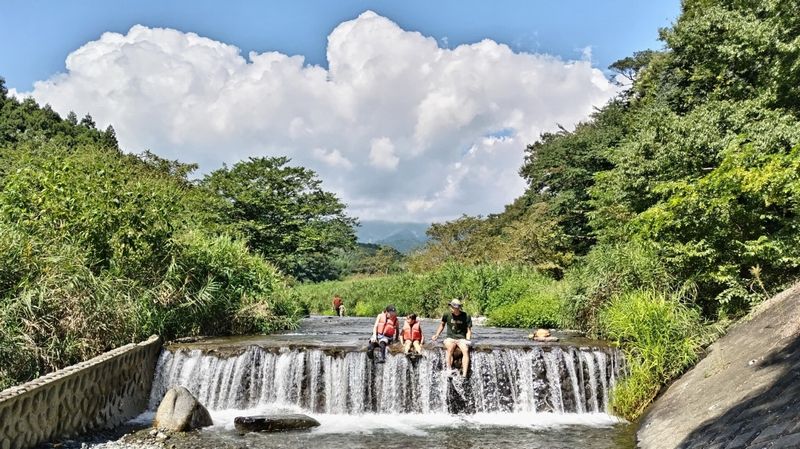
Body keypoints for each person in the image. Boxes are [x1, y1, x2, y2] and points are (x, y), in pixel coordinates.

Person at [431, 299, 472, 377]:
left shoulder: (466, 316)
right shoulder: (447, 314)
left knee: (465, 350)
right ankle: (449, 370)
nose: (452, 308)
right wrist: (436, 335)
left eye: (454, 307)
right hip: (450, 337)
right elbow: (442, 325)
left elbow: (469, 330)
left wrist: (468, 340)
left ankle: (464, 374)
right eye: (452, 306)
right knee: (450, 349)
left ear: (458, 307)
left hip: (461, 338)